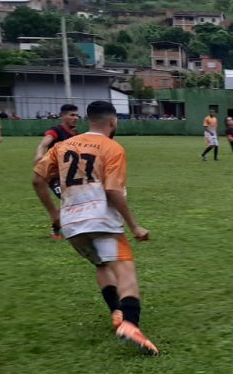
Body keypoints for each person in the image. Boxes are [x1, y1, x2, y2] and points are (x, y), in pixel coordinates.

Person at [32, 101, 159, 355]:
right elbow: (113, 190)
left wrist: (55, 215)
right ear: (113, 121)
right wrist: (134, 225)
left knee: (101, 265)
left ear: (88, 120)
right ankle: (130, 324)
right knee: (125, 271)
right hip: (102, 220)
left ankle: (116, 311)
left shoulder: (62, 146)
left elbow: (37, 180)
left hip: (71, 224)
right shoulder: (112, 147)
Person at [33, 104, 81, 239]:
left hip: (69, 175)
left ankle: (57, 226)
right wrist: (39, 154)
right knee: (71, 200)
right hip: (54, 176)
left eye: (77, 115)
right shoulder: (56, 131)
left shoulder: (76, 135)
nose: (75, 118)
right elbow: (44, 143)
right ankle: (57, 226)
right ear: (63, 116)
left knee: (73, 202)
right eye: (72, 115)